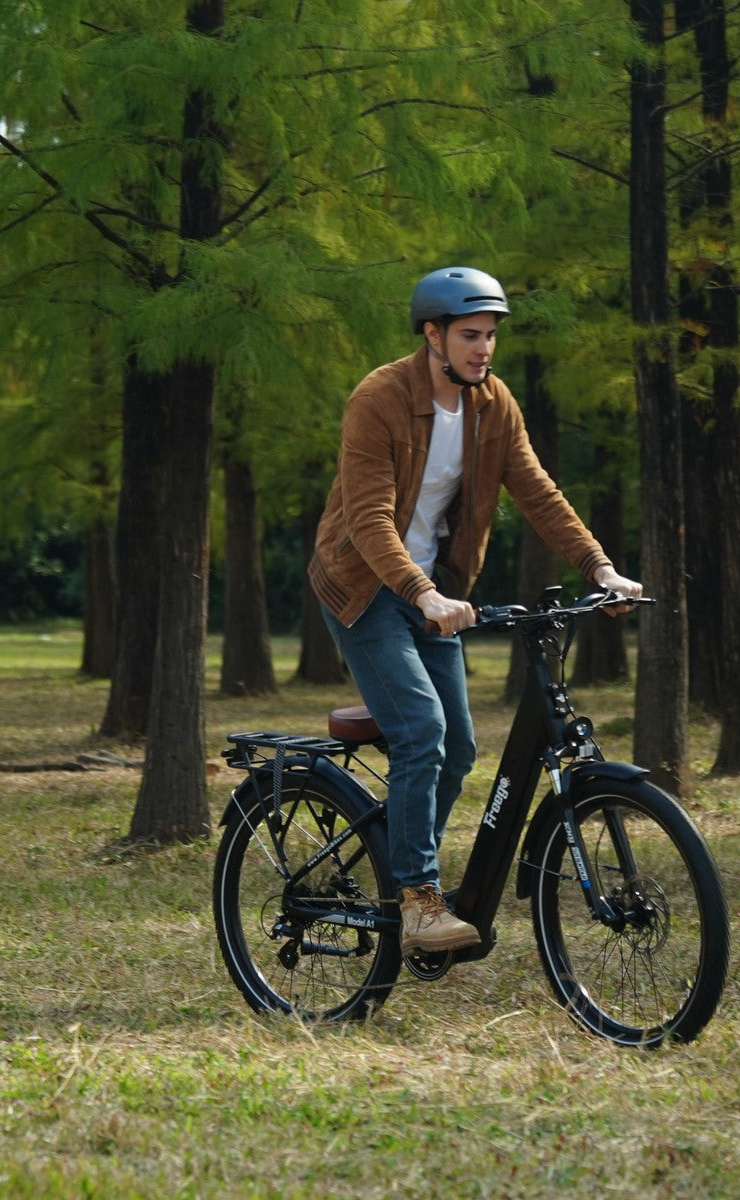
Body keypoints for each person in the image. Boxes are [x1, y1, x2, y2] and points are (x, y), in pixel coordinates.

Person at [309, 266, 642, 957]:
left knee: (458, 747)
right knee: (422, 730)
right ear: (432, 335)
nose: (484, 348)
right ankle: (418, 899)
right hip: (366, 587)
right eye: (469, 335)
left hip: (434, 591)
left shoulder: (493, 404)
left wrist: (600, 567)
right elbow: (368, 519)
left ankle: (401, 876)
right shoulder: (379, 398)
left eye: (490, 335)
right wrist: (422, 592)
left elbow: (538, 491)